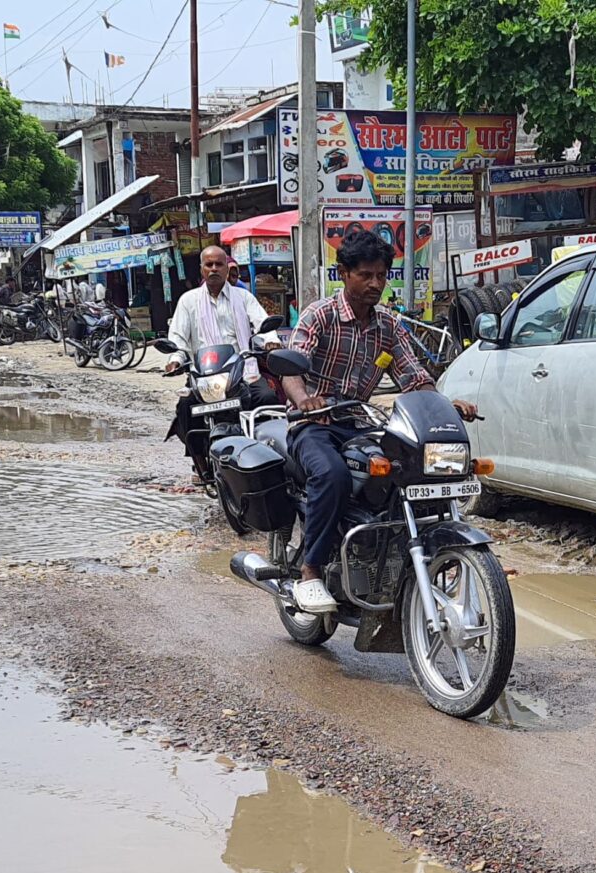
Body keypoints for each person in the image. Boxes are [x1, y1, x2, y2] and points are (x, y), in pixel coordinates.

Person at [280, 229, 475, 615]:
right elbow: (291, 366)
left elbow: (414, 377)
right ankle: (311, 570)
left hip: (359, 422)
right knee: (332, 474)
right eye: (365, 275)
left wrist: (444, 404)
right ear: (344, 274)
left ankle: (388, 558)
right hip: (312, 425)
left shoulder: (387, 325)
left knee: (401, 472)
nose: (375, 284)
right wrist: (304, 400)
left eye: (382, 276)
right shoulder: (320, 315)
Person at [165, 244, 267, 478]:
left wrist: (270, 341)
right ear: (201, 269)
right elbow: (178, 338)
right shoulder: (188, 301)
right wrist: (176, 359)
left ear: (226, 267)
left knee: (266, 400)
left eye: (218, 264)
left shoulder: (243, 297)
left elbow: (261, 324)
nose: (213, 269)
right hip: (205, 375)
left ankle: (265, 456)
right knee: (185, 409)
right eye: (208, 264)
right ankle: (200, 464)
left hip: (241, 371)